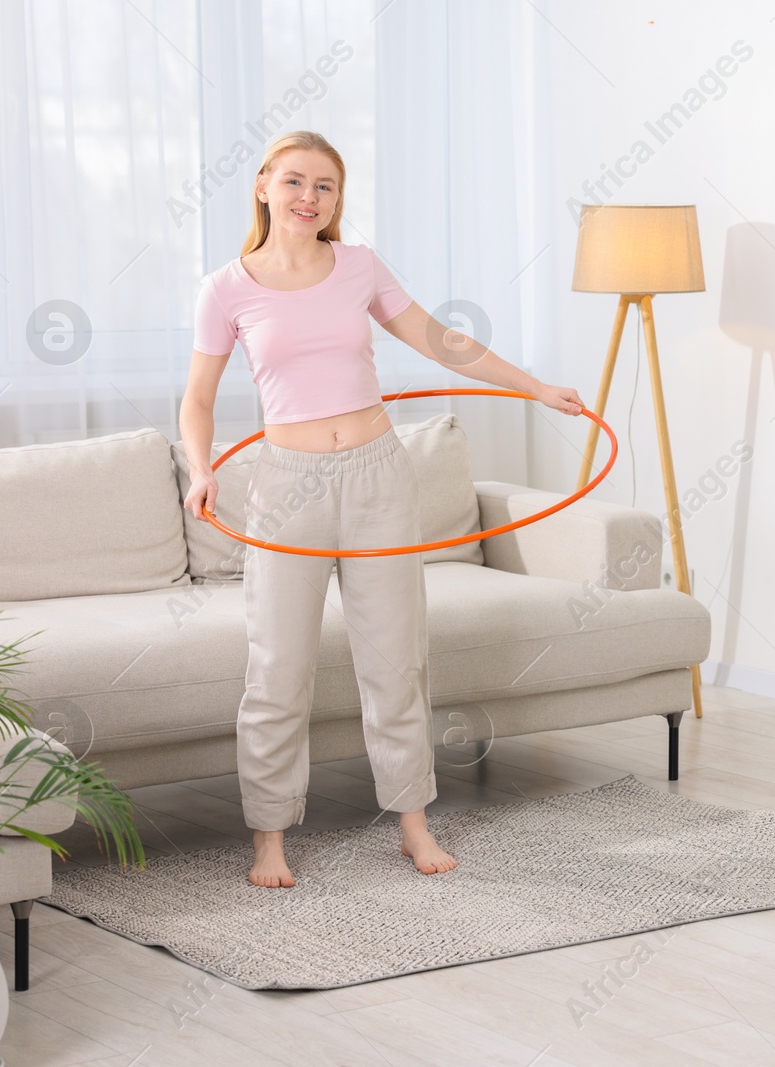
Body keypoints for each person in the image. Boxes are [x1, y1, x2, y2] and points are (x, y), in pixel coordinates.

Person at [178, 130, 584, 888]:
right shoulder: (225, 288)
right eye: (294, 181)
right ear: (264, 185)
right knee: (277, 669)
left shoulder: (358, 267)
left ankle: (413, 822)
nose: (309, 198)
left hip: (377, 476)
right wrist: (202, 471)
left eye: (325, 186)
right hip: (285, 484)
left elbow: (441, 340)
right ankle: (269, 836)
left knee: (396, 660)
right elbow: (197, 400)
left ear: (338, 199)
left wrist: (533, 386)